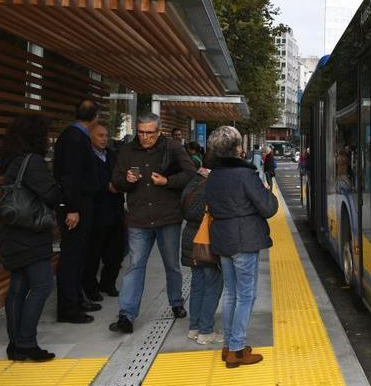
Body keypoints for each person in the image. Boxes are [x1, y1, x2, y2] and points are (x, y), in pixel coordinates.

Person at [109, 113, 196, 334]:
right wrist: (126, 182)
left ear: (159, 132)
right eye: (141, 132)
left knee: (171, 265)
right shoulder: (127, 151)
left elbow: (191, 174)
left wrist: (168, 181)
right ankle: (126, 316)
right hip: (139, 218)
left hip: (168, 217)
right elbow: (116, 181)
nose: (145, 137)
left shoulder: (173, 148)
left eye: (150, 133)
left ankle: (176, 302)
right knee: (135, 266)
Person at [204, 126, 278, 368]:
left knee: (231, 294)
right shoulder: (245, 175)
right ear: (237, 149)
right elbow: (268, 208)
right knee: (246, 295)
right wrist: (268, 192)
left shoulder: (213, 175)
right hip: (244, 240)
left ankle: (228, 346)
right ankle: (237, 349)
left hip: (222, 239)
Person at [0, 114, 61, 361]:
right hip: (30, 234)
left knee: (18, 287)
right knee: (42, 285)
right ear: (37, 136)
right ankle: (26, 343)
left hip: (11, 233)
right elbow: (49, 193)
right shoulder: (32, 161)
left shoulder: (11, 160)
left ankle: (15, 345)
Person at [53, 100, 101, 323]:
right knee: (72, 257)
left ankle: (77, 300)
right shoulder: (74, 139)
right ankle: (68, 307)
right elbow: (70, 177)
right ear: (95, 117)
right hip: (75, 207)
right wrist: (72, 208)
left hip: (80, 205)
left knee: (79, 254)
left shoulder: (73, 136)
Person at [180, 162, 223, 345]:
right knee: (212, 285)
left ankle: (194, 327)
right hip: (206, 240)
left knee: (197, 285)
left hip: (191, 239)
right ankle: (206, 331)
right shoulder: (211, 185)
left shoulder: (193, 182)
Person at [82, 124, 126, 301]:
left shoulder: (112, 155)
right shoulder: (85, 157)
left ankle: (108, 283)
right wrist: (105, 186)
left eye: (106, 135)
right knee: (93, 254)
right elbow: (84, 182)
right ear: (90, 136)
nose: (104, 139)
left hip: (115, 210)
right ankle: (90, 287)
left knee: (116, 252)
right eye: (100, 135)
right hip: (96, 211)